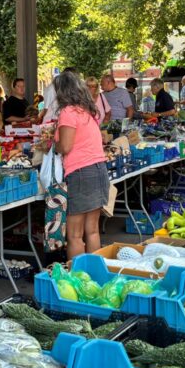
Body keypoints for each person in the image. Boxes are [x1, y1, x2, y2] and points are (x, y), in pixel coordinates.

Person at [53, 71, 110, 259]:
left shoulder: (68, 112)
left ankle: (76, 279)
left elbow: (66, 146)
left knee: (75, 235)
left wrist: (54, 145)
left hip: (81, 173)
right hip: (99, 169)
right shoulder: (86, 111)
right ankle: (93, 277)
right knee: (92, 231)